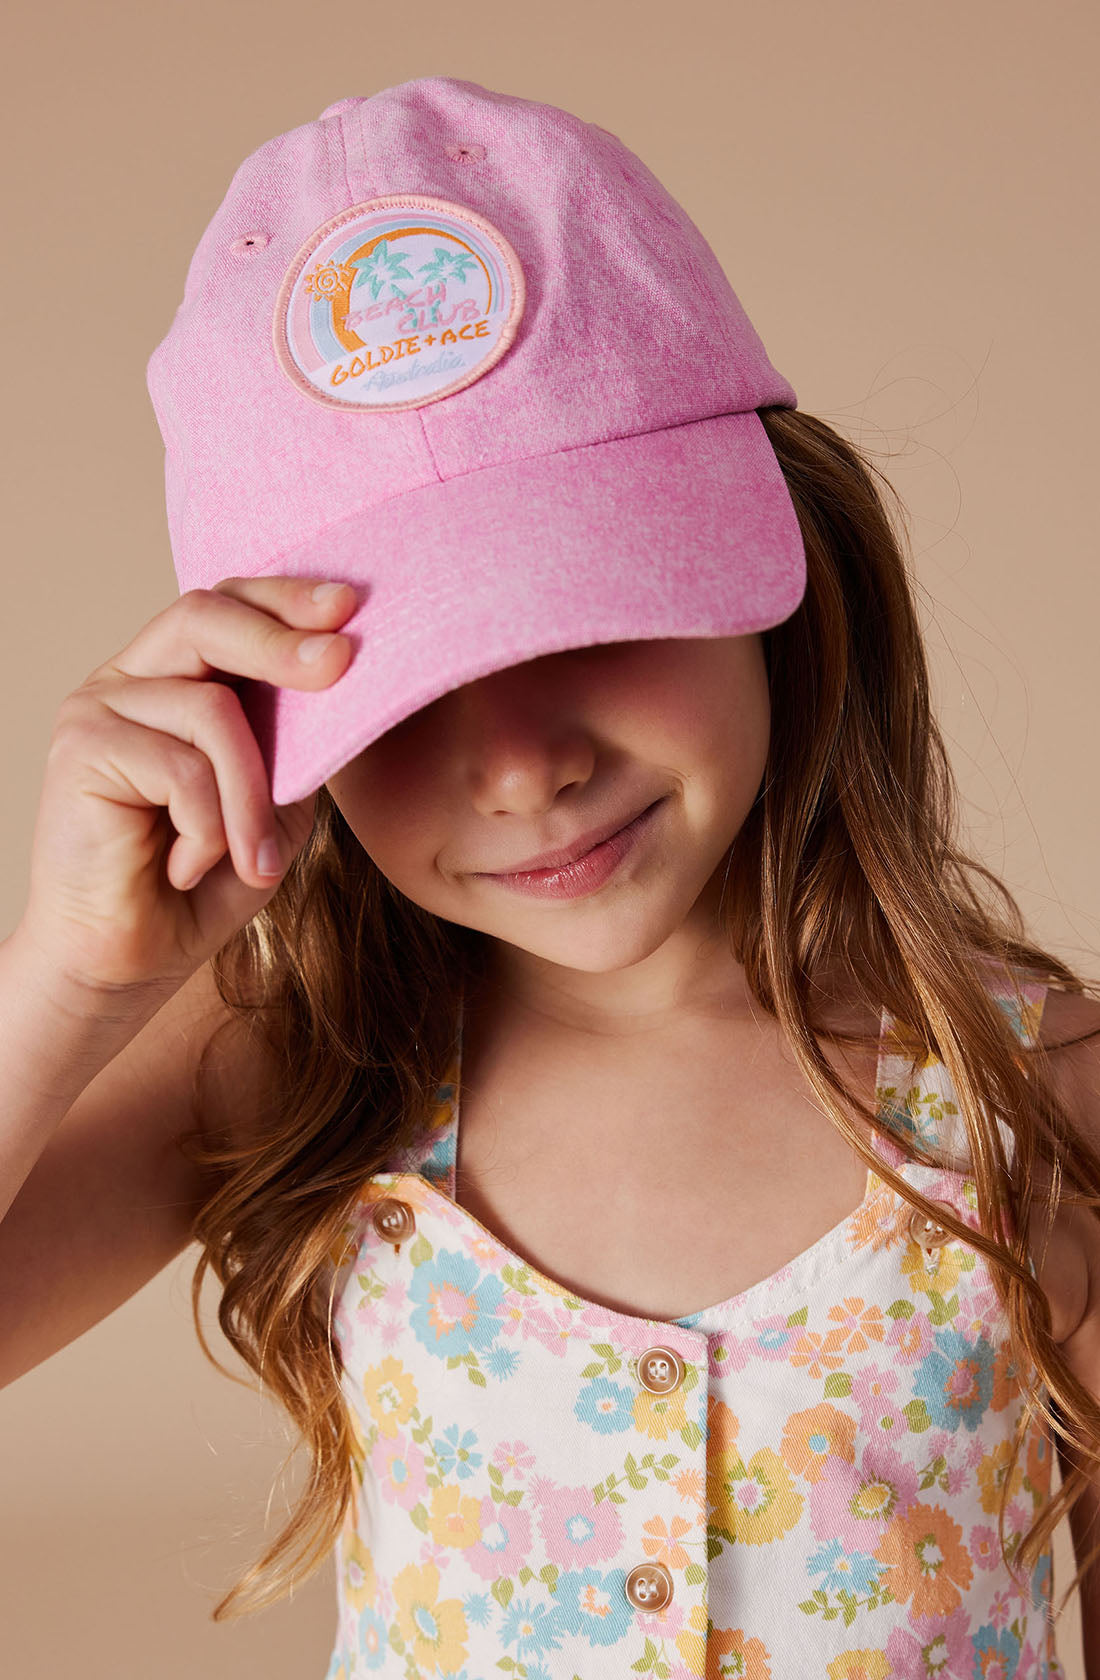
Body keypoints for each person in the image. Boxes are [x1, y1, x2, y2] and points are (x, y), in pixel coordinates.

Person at [1, 75, 1099, 1680]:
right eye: (405, 690)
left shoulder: (1036, 1099)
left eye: (592, 617)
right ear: (259, 723)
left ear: (777, 569)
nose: (521, 768)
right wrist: (64, 982)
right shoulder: (297, 1058)